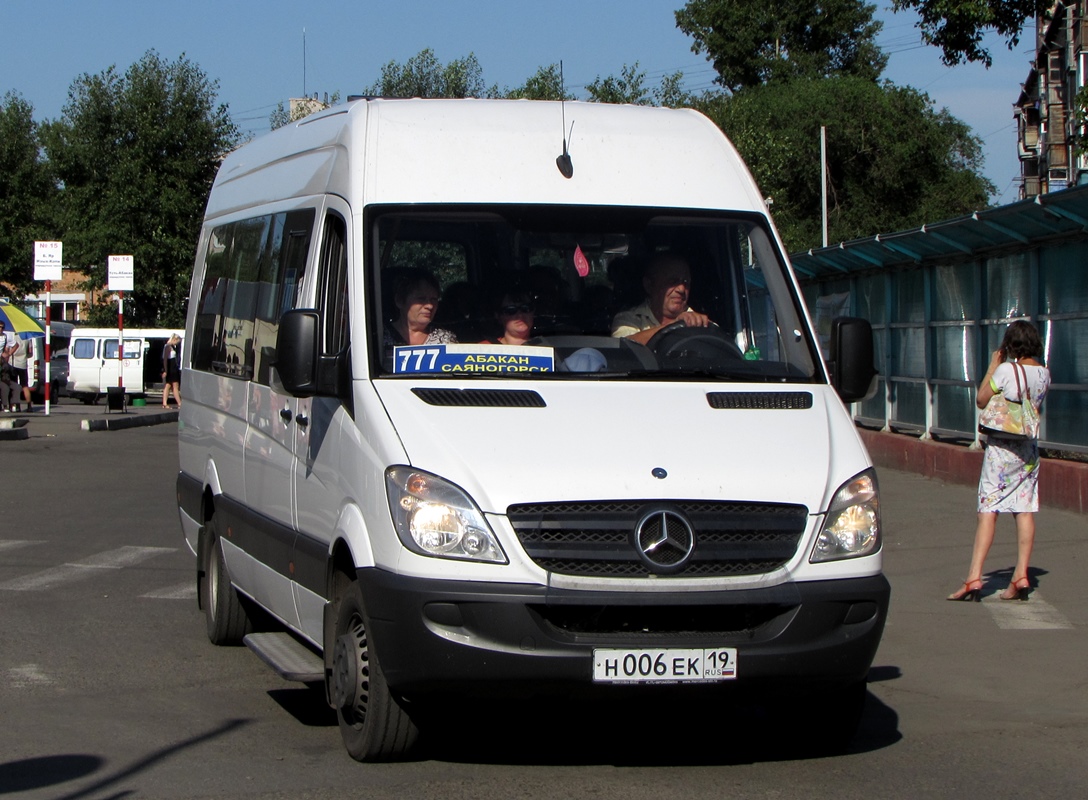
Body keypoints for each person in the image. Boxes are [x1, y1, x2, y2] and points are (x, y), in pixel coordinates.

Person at [948, 320, 1051, 602]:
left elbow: (982, 399)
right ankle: (1020, 574)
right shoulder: (1044, 374)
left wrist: (995, 364)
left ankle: (973, 577)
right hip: (1028, 451)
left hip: (1001, 451)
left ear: (1010, 345)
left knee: (988, 510)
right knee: (1025, 509)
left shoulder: (1006, 370)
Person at [610, 252, 712, 345]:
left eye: (686, 282)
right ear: (649, 285)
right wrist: (676, 326)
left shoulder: (703, 323)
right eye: (673, 281)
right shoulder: (629, 319)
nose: (681, 289)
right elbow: (624, 349)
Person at [383, 269, 457, 347]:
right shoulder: (379, 337)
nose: (430, 306)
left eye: (434, 299)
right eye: (421, 299)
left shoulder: (445, 340)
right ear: (400, 301)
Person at [9, 335, 32, 411]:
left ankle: (17, 405)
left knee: (14, 386)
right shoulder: (28, 339)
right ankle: (29, 406)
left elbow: (9, 351)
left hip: (13, 364)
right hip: (23, 364)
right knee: (25, 386)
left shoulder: (13, 338)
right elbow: (30, 353)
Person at [162, 333, 182, 408]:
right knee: (175, 386)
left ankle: (165, 403)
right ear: (174, 339)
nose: (177, 343)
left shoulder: (172, 347)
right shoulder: (168, 346)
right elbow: (165, 359)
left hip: (173, 367)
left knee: (168, 385)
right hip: (171, 368)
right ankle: (179, 403)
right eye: (177, 341)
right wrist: (166, 370)